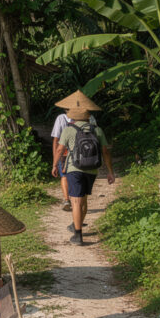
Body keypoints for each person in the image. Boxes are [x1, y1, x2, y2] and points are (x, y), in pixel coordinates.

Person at [53, 106, 114, 245]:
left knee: (75, 202)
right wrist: (110, 172)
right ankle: (77, 224)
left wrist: (55, 165)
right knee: (83, 200)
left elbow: (59, 149)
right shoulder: (97, 130)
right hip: (91, 170)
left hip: (74, 169)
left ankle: (78, 235)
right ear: (88, 117)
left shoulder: (68, 130)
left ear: (72, 117)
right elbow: (105, 151)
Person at [51, 92, 100, 212]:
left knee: (65, 176)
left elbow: (56, 140)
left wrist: (55, 162)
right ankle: (80, 202)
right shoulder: (90, 118)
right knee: (81, 176)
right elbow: (95, 136)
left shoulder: (61, 118)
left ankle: (68, 200)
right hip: (87, 153)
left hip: (65, 152)